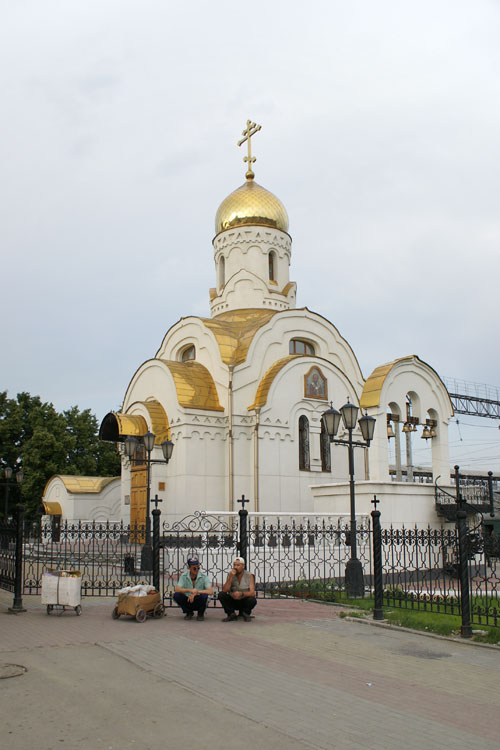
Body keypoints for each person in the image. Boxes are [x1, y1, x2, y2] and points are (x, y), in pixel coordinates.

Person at [218, 557, 257, 622]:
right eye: (234, 565)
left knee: (252, 600)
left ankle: (245, 613)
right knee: (221, 595)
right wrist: (230, 578)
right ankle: (231, 614)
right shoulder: (230, 574)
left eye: (238, 565)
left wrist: (242, 594)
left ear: (243, 566)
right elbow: (225, 590)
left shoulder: (249, 575)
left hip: (243, 599)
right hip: (233, 599)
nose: (235, 567)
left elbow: (252, 592)